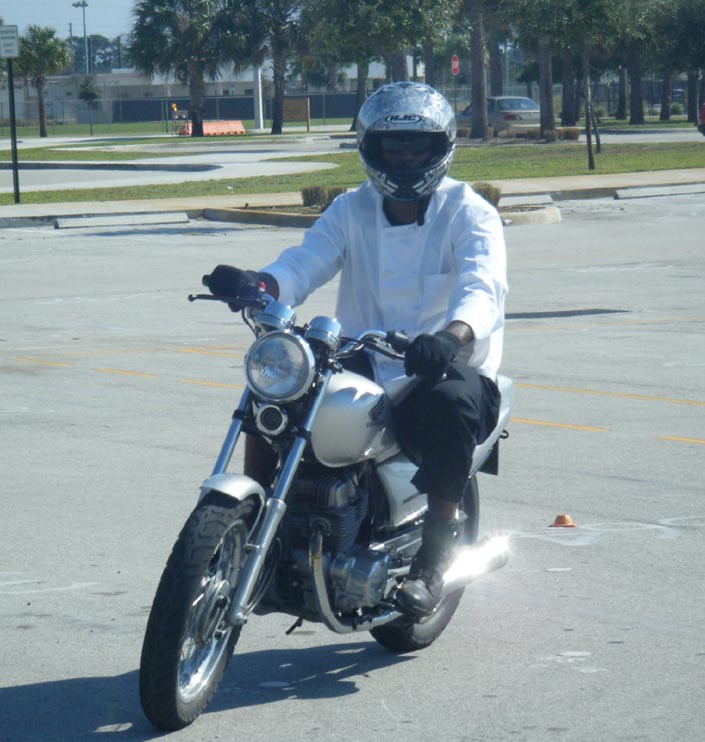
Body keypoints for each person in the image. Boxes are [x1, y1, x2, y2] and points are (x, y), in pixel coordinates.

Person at [203, 81, 507, 622]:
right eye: (394, 145)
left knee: (450, 404)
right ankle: (255, 519)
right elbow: (305, 262)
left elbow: (482, 289)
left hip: (440, 362)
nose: (406, 156)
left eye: (418, 145)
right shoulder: (351, 209)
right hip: (364, 355)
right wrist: (260, 284)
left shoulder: (469, 212)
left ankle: (434, 558)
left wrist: (452, 336)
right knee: (276, 389)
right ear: (371, 147)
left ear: (440, 147)